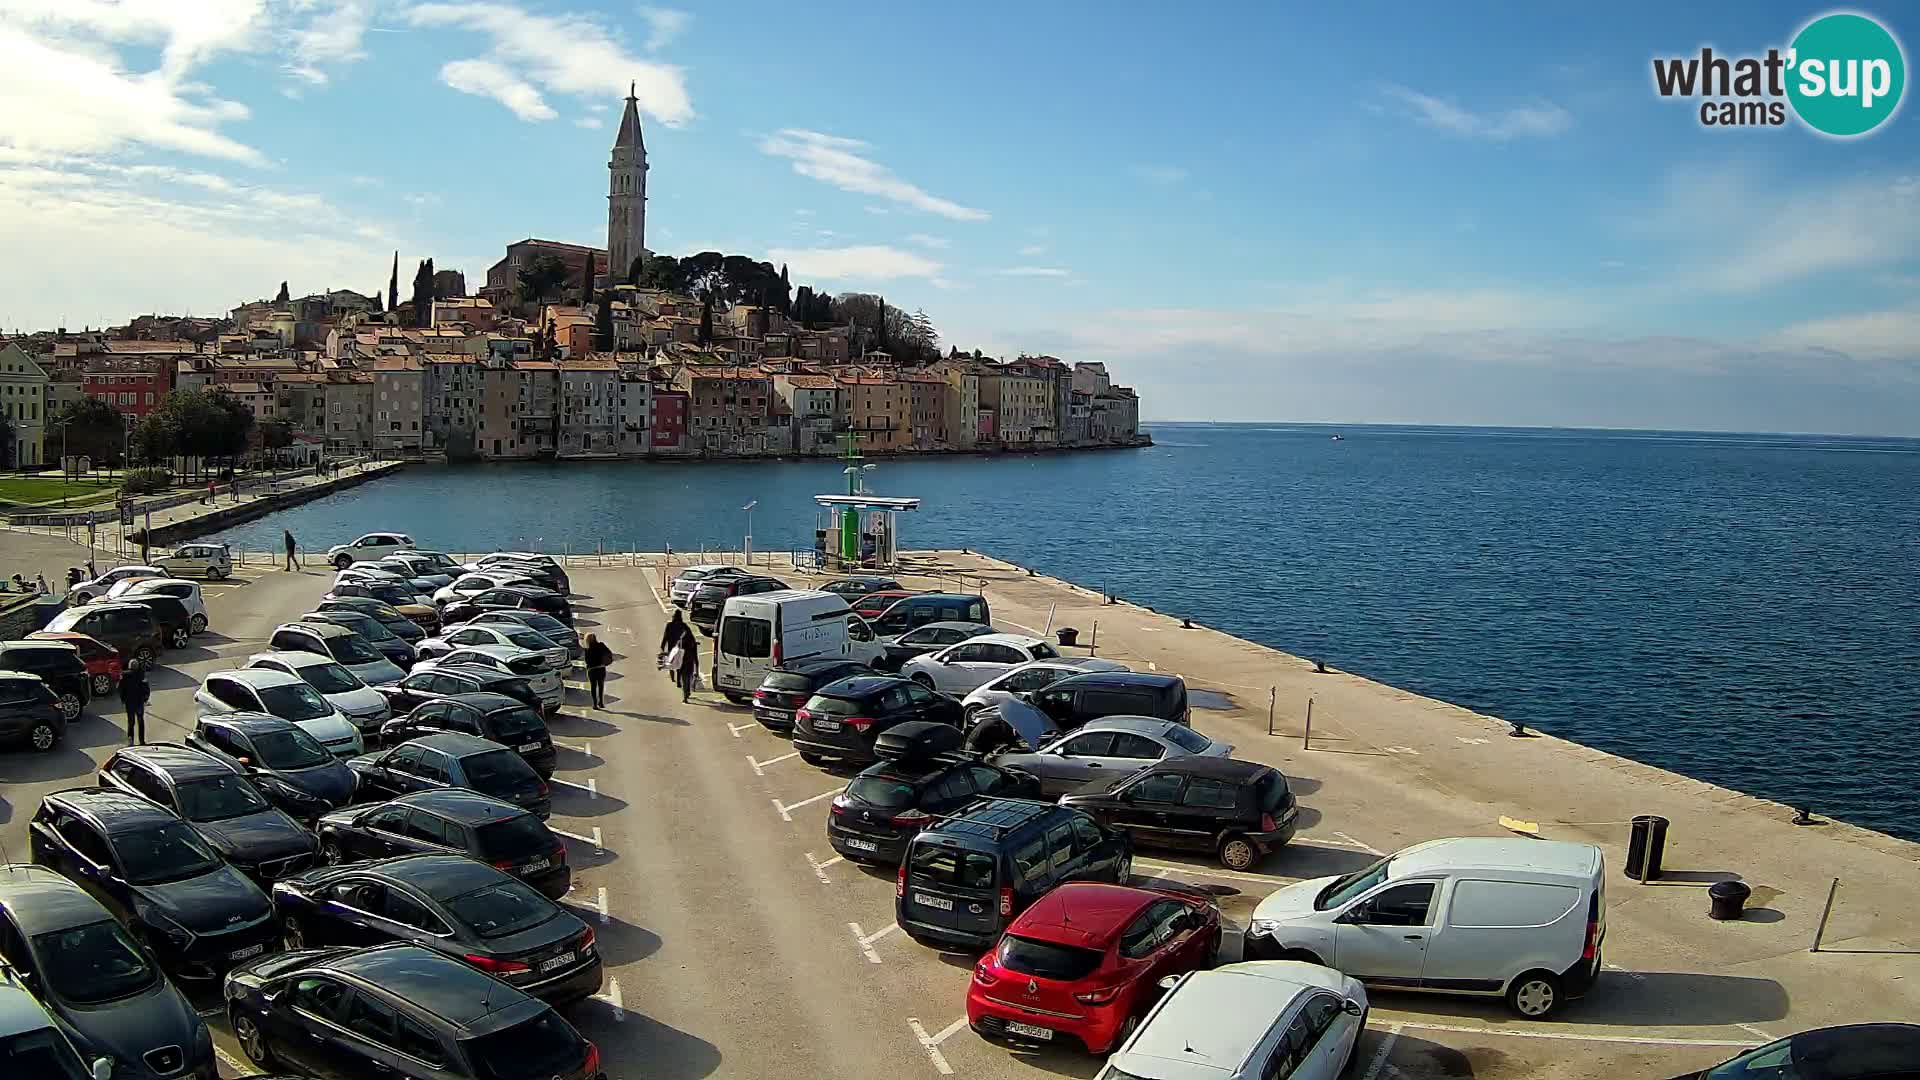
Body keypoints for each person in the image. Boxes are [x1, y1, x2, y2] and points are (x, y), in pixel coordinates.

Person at [119, 659, 150, 745]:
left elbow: (121, 689)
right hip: (139, 702)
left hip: (129, 703)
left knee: (131, 722)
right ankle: (142, 741)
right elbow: (146, 688)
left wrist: (123, 699)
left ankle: (131, 741)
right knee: (140, 722)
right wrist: (145, 699)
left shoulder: (125, 676)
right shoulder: (141, 675)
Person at [659, 611, 690, 687]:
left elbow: (665, 636)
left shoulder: (669, 625)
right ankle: (679, 681)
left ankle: (672, 678)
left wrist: (662, 646)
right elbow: (688, 635)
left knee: (671, 662)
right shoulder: (683, 625)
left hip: (671, 647)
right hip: (680, 647)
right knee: (679, 664)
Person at [583, 634, 613, 709]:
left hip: (592, 670)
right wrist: (605, 661)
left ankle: (595, 704)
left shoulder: (587, 649)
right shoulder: (601, 645)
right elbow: (609, 653)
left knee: (593, 687)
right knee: (601, 686)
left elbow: (587, 661)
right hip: (601, 668)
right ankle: (601, 703)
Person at [676, 631, 700, 704]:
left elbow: (677, 655)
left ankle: (685, 696)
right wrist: (697, 669)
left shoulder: (680, 643)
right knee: (688, 679)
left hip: (682, 663)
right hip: (690, 663)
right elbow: (695, 657)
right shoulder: (693, 644)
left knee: (684, 680)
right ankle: (687, 692)